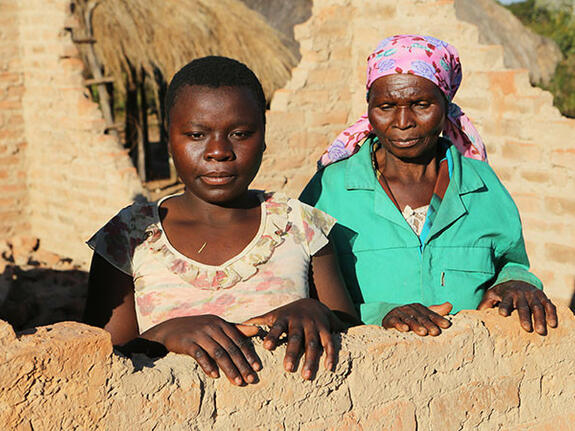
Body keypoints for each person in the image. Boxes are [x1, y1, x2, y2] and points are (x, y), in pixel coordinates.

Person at [84, 56, 358, 386]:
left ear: (264, 137)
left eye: (240, 133)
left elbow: (354, 338)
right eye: (197, 134)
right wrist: (165, 334)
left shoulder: (300, 226)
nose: (218, 151)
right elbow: (104, 368)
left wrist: (316, 313)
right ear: (170, 140)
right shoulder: (129, 237)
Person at [301, 35, 557, 337]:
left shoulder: (481, 184)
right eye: (386, 106)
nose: (403, 121)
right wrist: (380, 315)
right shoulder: (330, 189)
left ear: (445, 106)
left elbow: (511, 261)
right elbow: (302, 288)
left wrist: (515, 281)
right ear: (369, 108)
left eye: (421, 104)